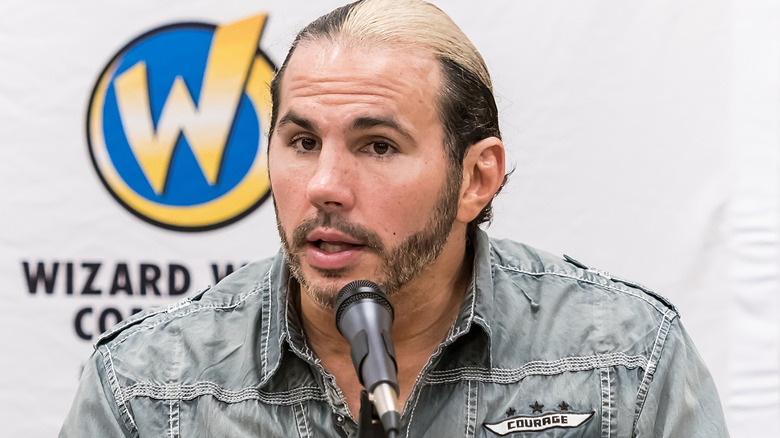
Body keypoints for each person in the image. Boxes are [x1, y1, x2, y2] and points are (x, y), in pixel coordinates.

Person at [60, 0, 729, 436]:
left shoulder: (625, 360)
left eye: (377, 146)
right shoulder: (149, 387)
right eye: (301, 143)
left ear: (477, 177)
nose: (325, 185)